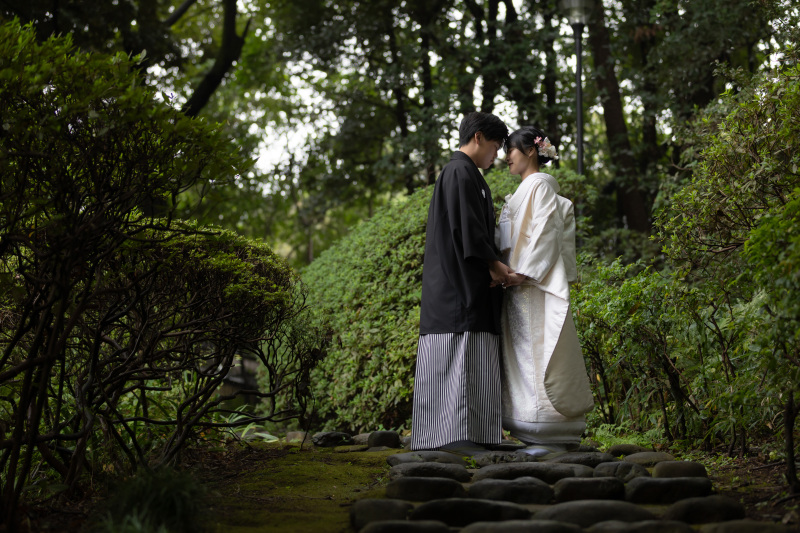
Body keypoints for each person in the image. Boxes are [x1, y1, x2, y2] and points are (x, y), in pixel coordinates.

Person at [411, 111, 514, 454]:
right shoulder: (458, 172)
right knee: (456, 360)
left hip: (468, 285)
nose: (497, 155)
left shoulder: (466, 174)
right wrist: (494, 265)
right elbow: (466, 229)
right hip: (457, 289)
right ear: (479, 137)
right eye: (496, 147)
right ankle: (451, 438)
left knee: (474, 361)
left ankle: (481, 436)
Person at [496, 126, 594, 455]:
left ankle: (546, 422)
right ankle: (531, 422)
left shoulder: (540, 185)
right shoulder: (527, 188)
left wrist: (522, 271)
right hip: (517, 285)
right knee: (523, 352)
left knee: (537, 349)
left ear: (530, 151)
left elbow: (546, 230)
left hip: (529, 283)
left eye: (511, 149)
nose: (506, 156)